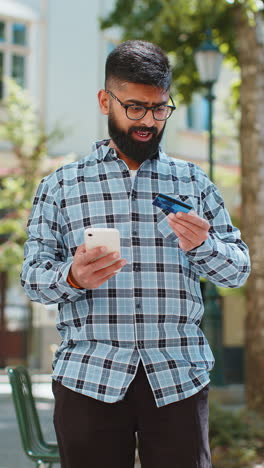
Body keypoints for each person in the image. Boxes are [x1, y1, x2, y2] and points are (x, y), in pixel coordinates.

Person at [21, 40, 250, 468]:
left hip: (178, 376)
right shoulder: (61, 185)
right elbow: (32, 276)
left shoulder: (193, 182)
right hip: (89, 376)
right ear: (105, 100)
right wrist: (71, 278)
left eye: (159, 109)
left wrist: (203, 246)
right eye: (135, 108)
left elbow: (238, 270)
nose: (148, 121)